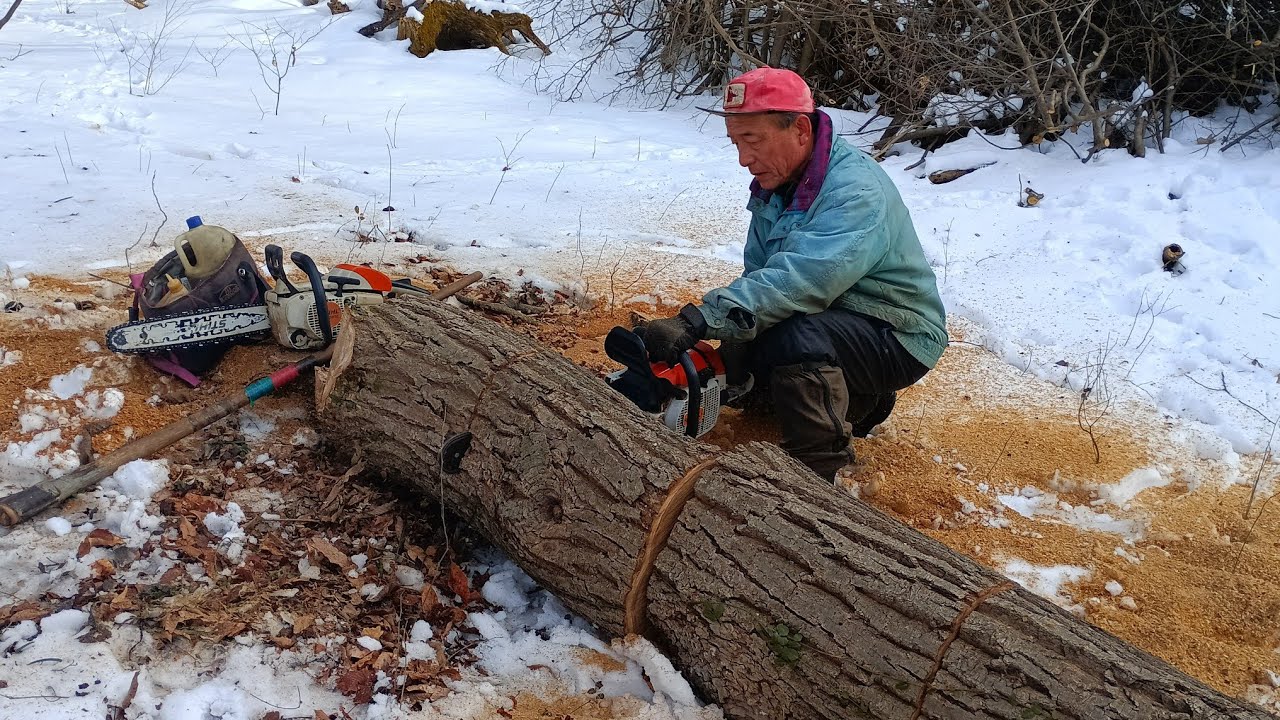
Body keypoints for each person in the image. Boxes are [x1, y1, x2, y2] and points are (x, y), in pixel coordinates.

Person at [640, 67, 947, 482]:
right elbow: (763, 275)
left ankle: (819, 472)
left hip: (897, 333)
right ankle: (860, 403)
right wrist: (726, 343)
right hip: (837, 317)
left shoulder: (854, 190)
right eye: (736, 143)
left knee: (794, 339)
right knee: (746, 358)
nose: (744, 159)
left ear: (800, 129)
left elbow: (802, 280)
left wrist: (699, 320)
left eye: (752, 140)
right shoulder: (778, 181)